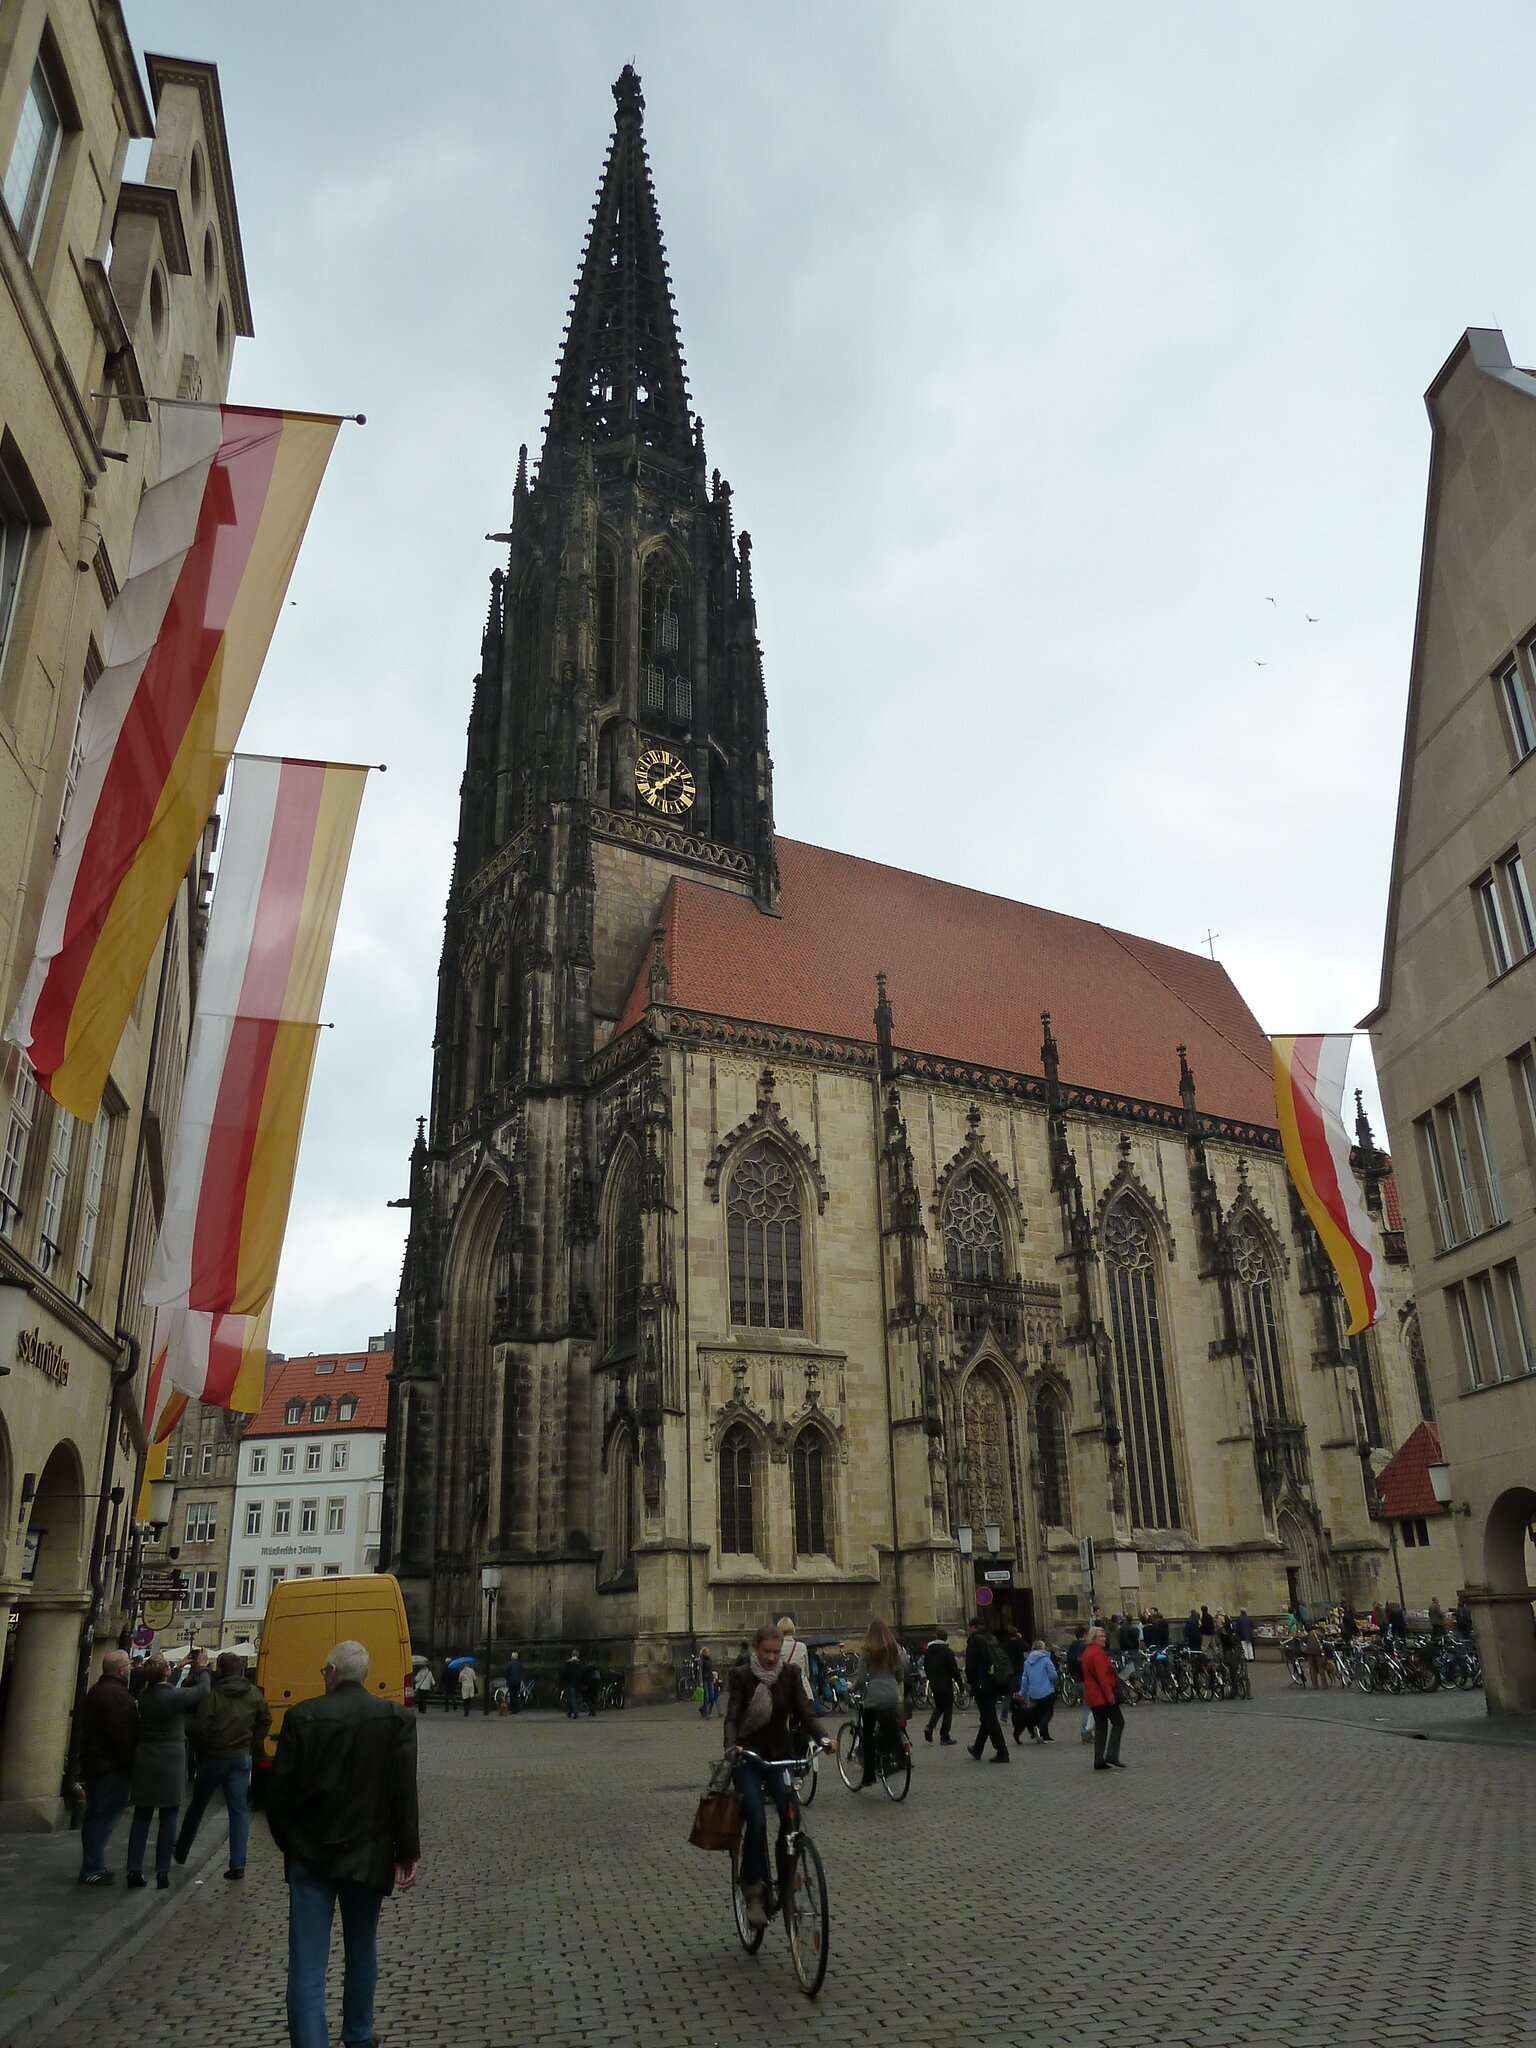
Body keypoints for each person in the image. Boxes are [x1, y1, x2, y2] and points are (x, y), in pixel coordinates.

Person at [267, 1640, 419, 2048]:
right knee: (362, 1950)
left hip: (309, 1855)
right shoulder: (396, 1718)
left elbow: (277, 1795)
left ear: (331, 1672)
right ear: (363, 1675)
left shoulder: (302, 1717)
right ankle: (359, 2036)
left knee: (307, 1966)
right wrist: (406, 1852)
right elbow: (403, 1792)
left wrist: (293, 1844)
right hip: (367, 1853)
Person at [723, 1622, 834, 1931]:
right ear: (756, 1649)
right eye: (767, 1652)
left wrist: (824, 1738)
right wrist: (732, 1746)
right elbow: (732, 1717)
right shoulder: (742, 1676)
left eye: (776, 1652)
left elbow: (805, 1712)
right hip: (748, 1757)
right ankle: (753, 1888)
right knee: (756, 1818)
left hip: (778, 1756)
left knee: (792, 1816)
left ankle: (785, 1882)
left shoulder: (790, 1675)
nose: (772, 1658)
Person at [175, 1650, 270, 1879]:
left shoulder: (214, 1696)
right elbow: (265, 1719)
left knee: (198, 1805)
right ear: (241, 1670)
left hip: (214, 1757)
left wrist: (204, 1749)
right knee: (238, 1811)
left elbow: (199, 1728)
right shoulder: (253, 1694)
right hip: (240, 1757)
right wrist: (252, 1741)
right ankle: (238, 1863)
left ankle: (181, 1851)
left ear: (220, 1670)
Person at [126, 1653, 208, 1888]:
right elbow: (202, 1690)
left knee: (142, 1815)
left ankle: (134, 1868)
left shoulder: (144, 1694)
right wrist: (202, 1668)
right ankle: (162, 1871)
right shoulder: (175, 1697)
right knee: (169, 1815)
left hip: (146, 1756)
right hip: (171, 1758)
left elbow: (162, 1689)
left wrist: (178, 1666)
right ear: (166, 1672)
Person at [78, 1648, 138, 1885]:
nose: (131, 1670)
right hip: (109, 1767)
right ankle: (92, 1867)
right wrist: (129, 1761)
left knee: (95, 1816)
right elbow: (121, 1734)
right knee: (102, 1818)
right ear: (122, 1670)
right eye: (129, 1667)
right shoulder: (116, 1695)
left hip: (95, 1763)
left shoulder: (98, 1690)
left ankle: (93, 1864)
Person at [852, 1619, 908, 1787]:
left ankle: (869, 1775)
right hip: (892, 1693)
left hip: (875, 1695)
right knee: (888, 1723)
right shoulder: (894, 1649)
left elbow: (861, 1679)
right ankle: (892, 1754)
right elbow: (900, 1675)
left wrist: (851, 1688)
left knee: (868, 1735)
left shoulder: (868, 1650)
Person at [963, 1614, 1011, 1764]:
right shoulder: (991, 1638)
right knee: (986, 1717)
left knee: (990, 1718)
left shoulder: (975, 1641)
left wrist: (971, 1681)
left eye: (970, 1627)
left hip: (982, 1685)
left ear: (974, 1628)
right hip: (994, 1683)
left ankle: (1002, 1751)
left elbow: (970, 1666)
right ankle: (977, 1749)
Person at [1081, 1625, 1125, 1771]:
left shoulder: (1087, 1652)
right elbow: (1102, 1676)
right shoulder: (1097, 1653)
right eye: (1101, 1636)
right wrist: (1110, 1695)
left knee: (1101, 1727)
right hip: (1102, 1695)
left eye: (1104, 1636)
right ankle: (1111, 1754)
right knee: (1118, 1722)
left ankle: (1098, 1760)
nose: (1104, 1639)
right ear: (1093, 1638)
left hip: (1093, 1696)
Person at [922, 1628, 961, 1745]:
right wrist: (961, 1685)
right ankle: (944, 1736)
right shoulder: (947, 1651)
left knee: (939, 1707)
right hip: (945, 1682)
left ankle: (930, 1726)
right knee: (948, 1709)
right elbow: (954, 1669)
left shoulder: (929, 1651)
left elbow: (926, 1666)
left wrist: (931, 1677)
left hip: (934, 1682)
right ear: (946, 1638)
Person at [1019, 1640, 1058, 1741]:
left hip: (1033, 1693)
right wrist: (1053, 1681)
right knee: (1048, 1712)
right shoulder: (1046, 1659)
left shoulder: (1027, 1661)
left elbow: (1024, 1679)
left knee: (1039, 1712)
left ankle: (1045, 1734)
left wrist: (1022, 1693)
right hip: (1047, 1690)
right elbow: (1053, 1675)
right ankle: (1041, 1729)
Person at [1002, 1624, 1029, 1743]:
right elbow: (1027, 1647)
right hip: (1019, 1671)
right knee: (1022, 1692)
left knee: (1008, 1694)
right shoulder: (1019, 1644)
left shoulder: (1005, 1645)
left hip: (1009, 1672)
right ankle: (1025, 1711)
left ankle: (1004, 1716)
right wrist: (1020, 1638)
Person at [1065, 1624, 1092, 1743]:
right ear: (1085, 1635)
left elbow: (1069, 1664)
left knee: (1087, 1706)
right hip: (1086, 1680)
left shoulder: (1071, 1648)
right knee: (1088, 1708)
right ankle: (1086, 1733)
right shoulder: (1085, 1647)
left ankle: (1089, 1731)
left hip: (1076, 1681)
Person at [776, 1615, 811, 1689]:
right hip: (803, 1689)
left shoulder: (777, 1647)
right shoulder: (802, 1647)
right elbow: (806, 1673)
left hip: (785, 1689)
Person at [561, 1650, 583, 1718]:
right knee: (576, 1698)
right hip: (578, 1683)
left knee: (571, 1699)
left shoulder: (567, 1664)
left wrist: (562, 1681)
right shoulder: (580, 1664)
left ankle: (575, 1712)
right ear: (578, 1655)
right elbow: (583, 1674)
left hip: (569, 1683)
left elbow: (563, 1674)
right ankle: (570, 1712)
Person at [698, 1649, 719, 1719]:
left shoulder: (710, 1659)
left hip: (710, 1678)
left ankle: (702, 1708)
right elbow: (700, 1671)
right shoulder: (701, 1660)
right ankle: (706, 1713)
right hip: (705, 1679)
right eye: (707, 1652)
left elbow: (712, 1669)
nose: (708, 1653)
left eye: (708, 1652)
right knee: (706, 1696)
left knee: (712, 1696)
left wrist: (714, 1677)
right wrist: (700, 1681)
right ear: (704, 1653)